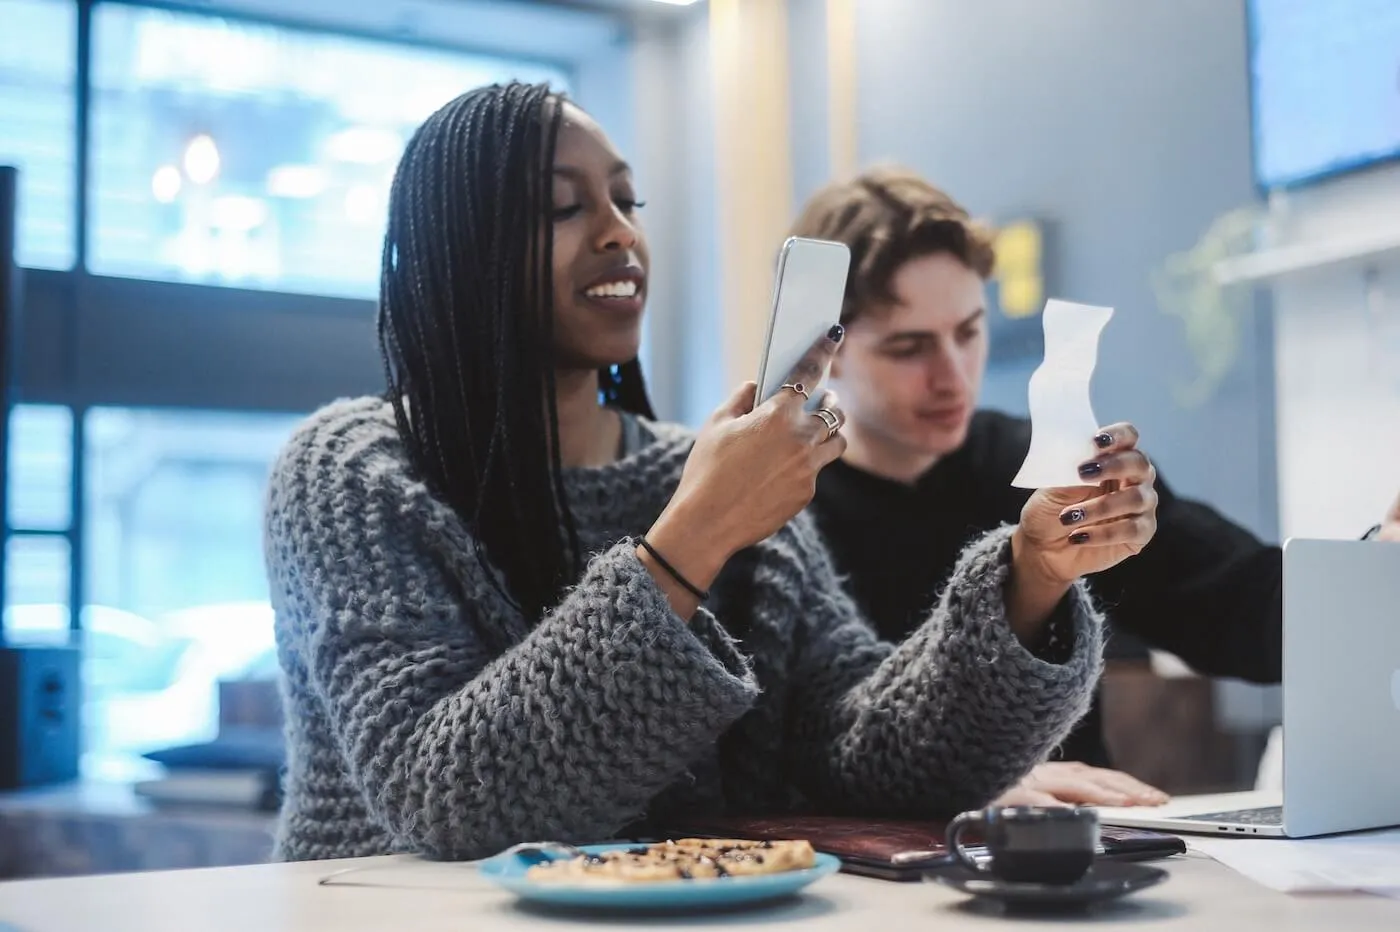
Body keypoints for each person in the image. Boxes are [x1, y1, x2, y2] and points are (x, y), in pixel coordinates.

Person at [263, 84, 1162, 864]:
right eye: (563, 208)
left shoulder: (694, 472)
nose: (620, 234)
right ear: (453, 249)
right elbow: (441, 800)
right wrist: (695, 536)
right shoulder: (354, 471)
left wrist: (1032, 579)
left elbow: (870, 751)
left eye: (627, 201)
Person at [790, 165, 1400, 808]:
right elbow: (789, 751)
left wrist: (1378, 563)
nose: (953, 376)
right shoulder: (780, 509)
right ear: (827, 351)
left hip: (1081, 852)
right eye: (909, 347)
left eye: (969, 331)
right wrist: (965, 781)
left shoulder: (1054, 470)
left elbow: (1247, 611)